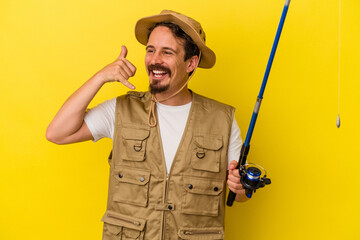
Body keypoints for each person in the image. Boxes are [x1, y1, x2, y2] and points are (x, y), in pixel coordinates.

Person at [46, 10, 248, 240]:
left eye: (167, 52)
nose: (154, 60)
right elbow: (57, 133)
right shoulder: (120, 110)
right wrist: (100, 77)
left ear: (191, 63)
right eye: (150, 50)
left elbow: (239, 193)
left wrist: (240, 188)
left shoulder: (222, 119)